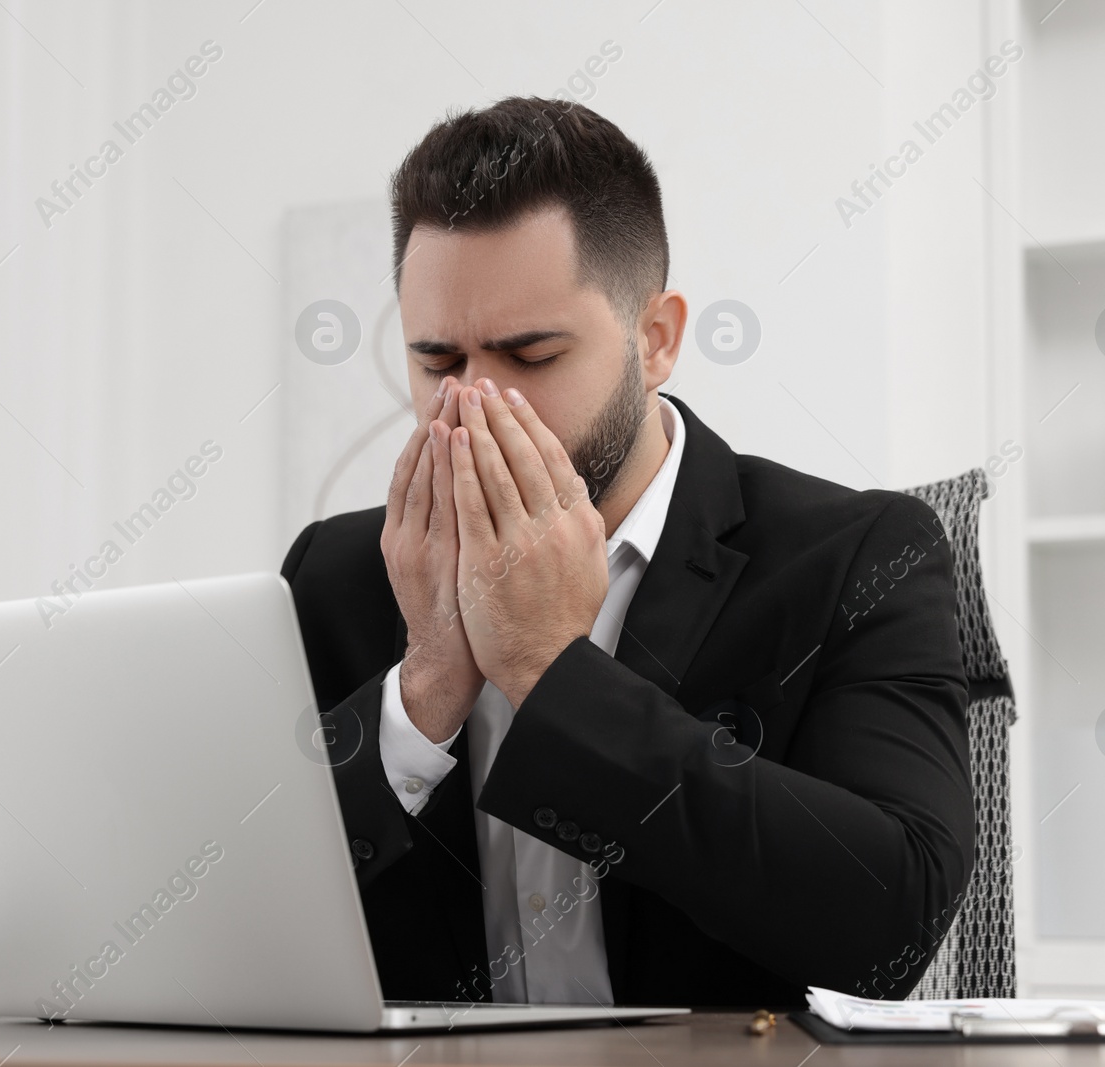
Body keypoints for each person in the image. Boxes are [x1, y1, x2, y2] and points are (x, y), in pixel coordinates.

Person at [282, 96, 973, 1008]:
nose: (478, 406)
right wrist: (420, 703)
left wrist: (551, 673)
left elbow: (892, 922)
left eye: (531, 355)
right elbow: (235, 921)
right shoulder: (335, 575)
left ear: (656, 341)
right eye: (439, 361)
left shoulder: (858, 556)